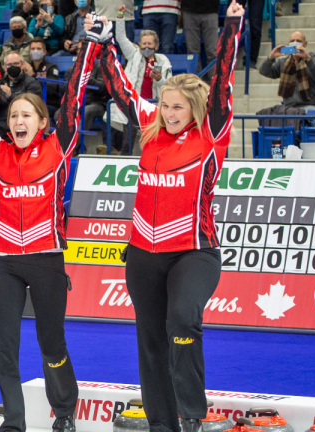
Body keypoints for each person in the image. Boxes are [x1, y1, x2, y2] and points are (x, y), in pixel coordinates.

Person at [88, 3, 244, 432]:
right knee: (150, 340)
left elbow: (225, 78)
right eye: (166, 106)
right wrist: (103, 43)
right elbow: (120, 90)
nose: (170, 113)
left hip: (193, 252)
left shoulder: (211, 133)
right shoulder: (152, 126)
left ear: (194, 108)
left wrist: (231, 27)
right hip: (142, 253)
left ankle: (192, 415)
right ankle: (162, 423)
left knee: (181, 320)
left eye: (178, 107)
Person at [0, 25, 100, 432]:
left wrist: (89, 46)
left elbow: (74, 99)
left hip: (47, 261)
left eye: (26, 115)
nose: (18, 120)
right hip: (7, 265)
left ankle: (64, 411)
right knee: (4, 347)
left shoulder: (58, 147)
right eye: (13, 115)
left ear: (42, 121)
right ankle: (13, 420)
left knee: (52, 344)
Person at [109, 10, 172, 155]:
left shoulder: (163, 61)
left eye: (150, 44)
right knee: (127, 145)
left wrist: (159, 79)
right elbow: (120, 37)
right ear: (139, 45)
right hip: (135, 106)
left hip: (154, 107)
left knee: (153, 146)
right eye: (144, 44)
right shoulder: (133, 54)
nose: (147, 47)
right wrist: (119, 16)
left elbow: (169, 88)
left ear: (156, 46)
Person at [0, 51, 43, 142]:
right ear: (5, 67)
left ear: (23, 64)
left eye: (16, 63)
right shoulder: (0, 82)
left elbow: (33, 105)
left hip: (25, 124)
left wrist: (10, 96)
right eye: (9, 64)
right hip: (4, 125)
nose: (12, 66)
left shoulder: (31, 82)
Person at [259, 31, 315, 112]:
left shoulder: (313, 59)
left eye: (298, 41)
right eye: (292, 41)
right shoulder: (283, 62)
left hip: (310, 105)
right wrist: (271, 57)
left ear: (305, 44)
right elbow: (264, 71)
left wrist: (308, 59)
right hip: (289, 106)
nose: (295, 43)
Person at [181, 0, 220, 77]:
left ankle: (214, 82)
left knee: (212, 51)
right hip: (189, 10)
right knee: (192, 53)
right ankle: (196, 82)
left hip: (211, 10)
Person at [26, 37, 61, 114]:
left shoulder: (52, 67)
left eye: (38, 49)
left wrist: (33, 76)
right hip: (30, 103)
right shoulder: (26, 67)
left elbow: (51, 88)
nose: (35, 51)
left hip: (49, 104)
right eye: (33, 49)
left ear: (44, 52)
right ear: (29, 51)